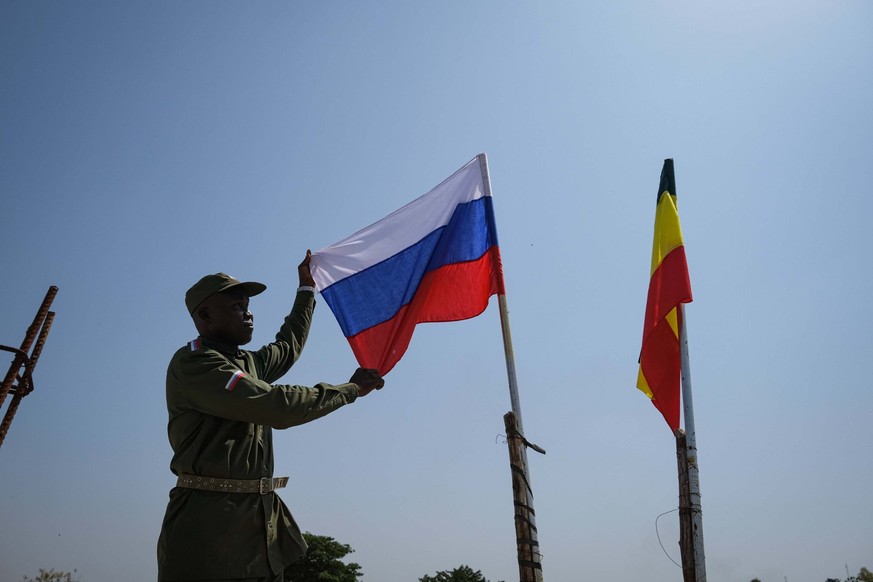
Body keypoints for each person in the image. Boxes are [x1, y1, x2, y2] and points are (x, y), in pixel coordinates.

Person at [157, 251, 384, 582]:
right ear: (204, 315)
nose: (248, 315)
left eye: (248, 307)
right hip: (209, 531)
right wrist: (348, 390)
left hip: (258, 527)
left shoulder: (245, 363)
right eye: (237, 307)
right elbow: (274, 405)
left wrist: (306, 290)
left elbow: (287, 346)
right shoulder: (196, 364)